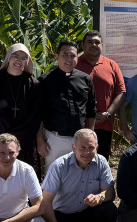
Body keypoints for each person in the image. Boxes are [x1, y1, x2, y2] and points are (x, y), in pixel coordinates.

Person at [40, 129, 117, 222]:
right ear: (74, 148)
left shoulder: (101, 162)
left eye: (91, 148)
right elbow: (45, 202)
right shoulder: (59, 166)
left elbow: (110, 192)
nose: (87, 152)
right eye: (82, 148)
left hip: (88, 211)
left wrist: (99, 197)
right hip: (63, 214)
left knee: (109, 210)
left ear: (97, 147)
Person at [37, 40, 96, 173]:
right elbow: (38, 113)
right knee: (53, 177)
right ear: (57, 57)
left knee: (79, 175)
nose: (69, 59)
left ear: (77, 57)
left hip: (80, 139)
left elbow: (91, 110)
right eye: (65, 55)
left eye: (73, 55)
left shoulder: (85, 79)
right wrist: (40, 140)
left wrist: (91, 135)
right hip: (54, 139)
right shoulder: (45, 81)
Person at [0, 43, 42, 168]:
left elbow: (35, 115)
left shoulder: (33, 84)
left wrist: (18, 137)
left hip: (25, 142)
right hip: (1, 140)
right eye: (16, 56)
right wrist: (8, 138)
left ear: (27, 61)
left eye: (23, 58)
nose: (19, 61)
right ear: (8, 58)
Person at [76, 30, 126, 160]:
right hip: (79, 126)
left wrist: (108, 113)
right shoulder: (75, 64)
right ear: (83, 45)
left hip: (104, 125)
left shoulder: (112, 65)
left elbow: (120, 92)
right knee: (80, 162)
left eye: (97, 42)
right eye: (89, 42)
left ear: (102, 46)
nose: (94, 45)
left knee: (101, 162)